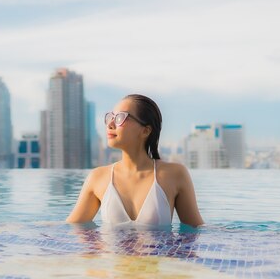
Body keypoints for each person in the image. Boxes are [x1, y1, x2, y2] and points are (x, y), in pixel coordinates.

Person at [66, 94, 204, 227]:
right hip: (110, 252)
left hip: (160, 252)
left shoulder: (174, 174)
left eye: (120, 117)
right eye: (110, 117)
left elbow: (194, 232)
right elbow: (71, 229)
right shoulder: (97, 177)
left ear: (145, 131)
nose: (110, 124)